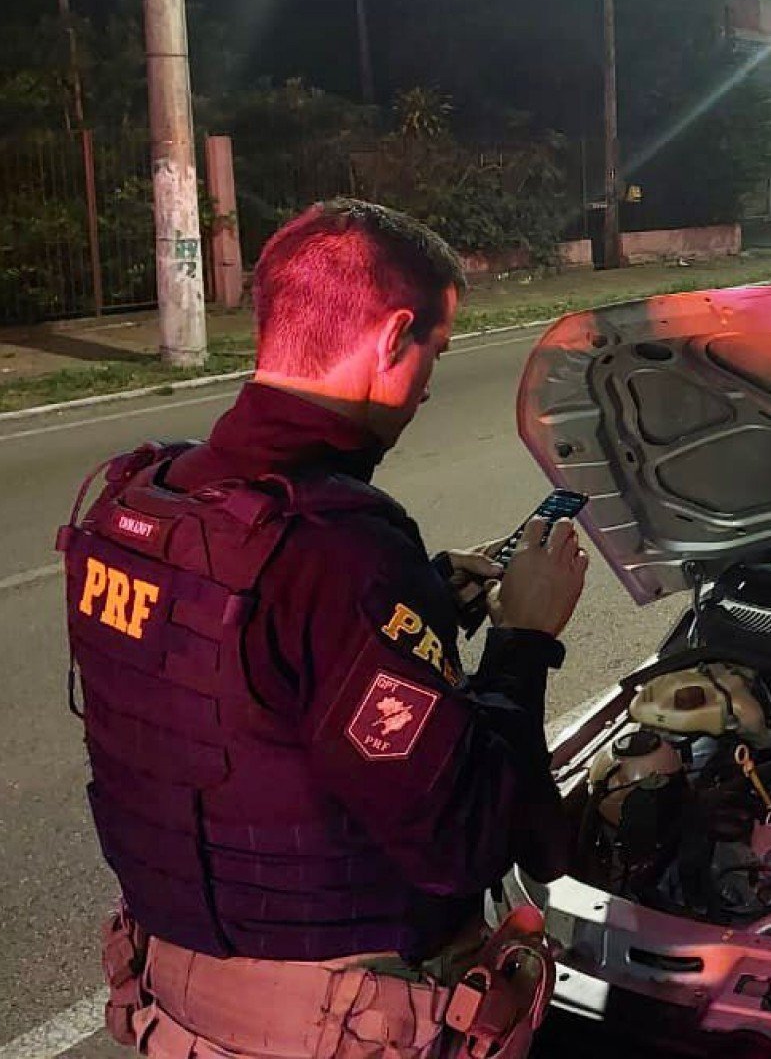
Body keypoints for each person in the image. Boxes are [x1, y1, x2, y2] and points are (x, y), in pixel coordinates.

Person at [63, 199, 587, 1059]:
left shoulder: (146, 501)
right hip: (337, 1024)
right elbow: (462, 839)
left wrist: (420, 608)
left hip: (175, 1008)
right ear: (391, 339)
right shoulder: (337, 552)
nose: (425, 391)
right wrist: (524, 638)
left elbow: (239, 690)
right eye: (435, 355)